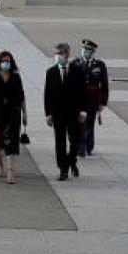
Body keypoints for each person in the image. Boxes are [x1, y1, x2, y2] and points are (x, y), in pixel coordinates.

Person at [44, 42, 87, 181]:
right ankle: (63, 169)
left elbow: (83, 92)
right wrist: (48, 114)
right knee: (60, 142)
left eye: (60, 53)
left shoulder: (78, 70)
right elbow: (47, 94)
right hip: (58, 113)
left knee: (75, 141)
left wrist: (83, 111)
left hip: (74, 112)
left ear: (67, 54)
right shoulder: (51, 72)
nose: (57, 56)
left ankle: (72, 160)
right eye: (56, 53)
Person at [0, 50, 27, 184]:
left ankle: (10, 171)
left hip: (13, 112)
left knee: (12, 141)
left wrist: (25, 114)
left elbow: (21, 97)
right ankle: (1, 166)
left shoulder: (16, 77)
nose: (5, 63)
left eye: (7, 61)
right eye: (3, 61)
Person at [74, 39, 109, 158]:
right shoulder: (76, 63)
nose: (85, 51)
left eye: (88, 50)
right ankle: (80, 147)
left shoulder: (99, 65)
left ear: (93, 52)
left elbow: (104, 84)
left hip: (92, 98)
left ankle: (88, 147)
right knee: (79, 123)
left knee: (90, 123)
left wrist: (103, 102)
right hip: (78, 98)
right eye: (84, 49)